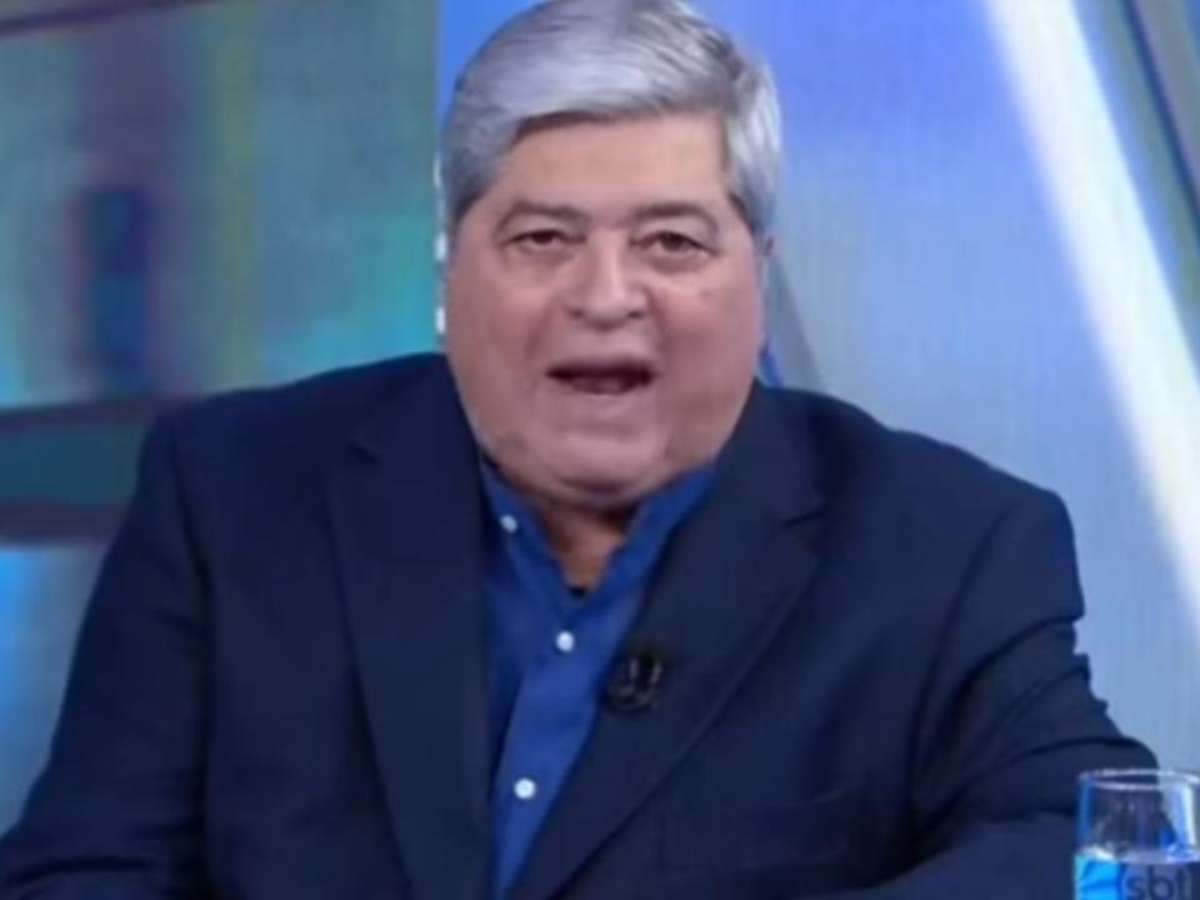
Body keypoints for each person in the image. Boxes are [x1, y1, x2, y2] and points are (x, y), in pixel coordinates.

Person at [0, 1, 1154, 897]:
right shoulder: (235, 493)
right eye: (543, 238)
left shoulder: (944, 546)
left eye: (672, 241)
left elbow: (1099, 847)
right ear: (451, 267)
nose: (606, 296)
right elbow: (85, 869)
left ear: (757, 273)